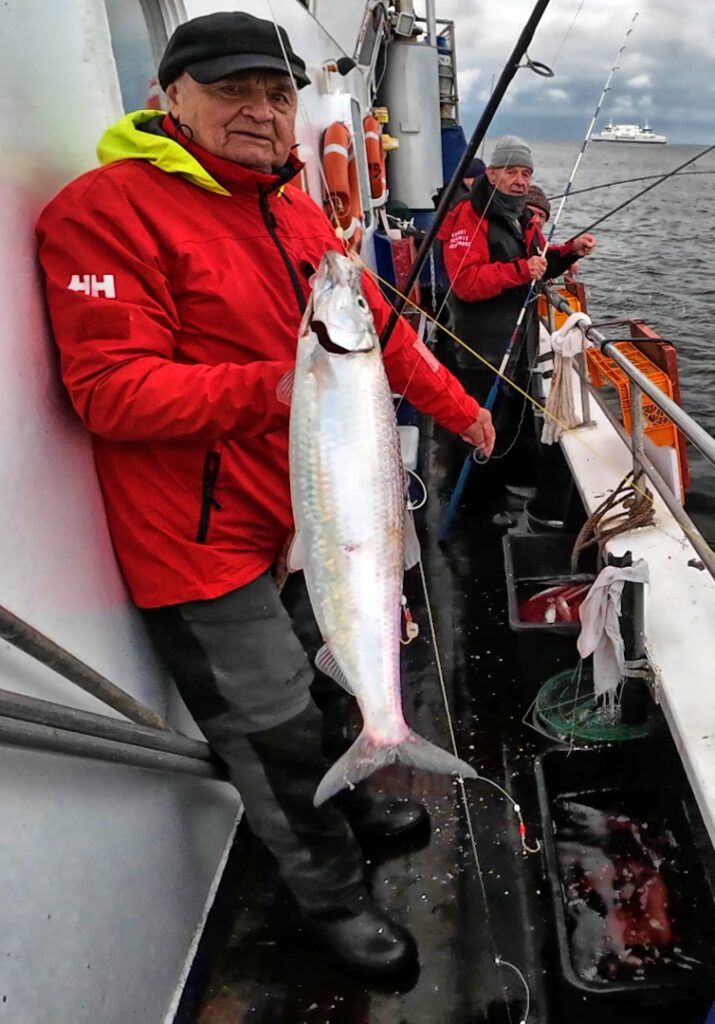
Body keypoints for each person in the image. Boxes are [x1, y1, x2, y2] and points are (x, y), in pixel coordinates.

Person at [35, 11, 495, 977]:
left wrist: (459, 410)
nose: (259, 111)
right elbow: (109, 391)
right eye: (230, 89)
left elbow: (380, 331)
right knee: (275, 733)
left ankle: (363, 785)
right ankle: (334, 902)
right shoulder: (101, 212)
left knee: (330, 677)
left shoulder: (290, 208)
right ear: (172, 100)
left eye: (276, 93)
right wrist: (284, 387)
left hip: (302, 514)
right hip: (196, 541)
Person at [437, 136, 596, 490]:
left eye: (526, 172)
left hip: (516, 348)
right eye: (512, 171)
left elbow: (540, 259)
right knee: (481, 432)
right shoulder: (469, 217)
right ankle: (473, 506)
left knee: (510, 427)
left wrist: (570, 252)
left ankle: (501, 496)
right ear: (492, 174)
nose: (521, 180)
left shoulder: (521, 215)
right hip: (481, 352)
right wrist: (520, 271)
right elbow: (465, 282)